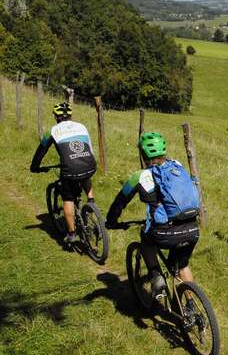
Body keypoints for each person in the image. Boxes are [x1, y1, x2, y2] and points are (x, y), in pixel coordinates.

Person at [105, 132, 200, 300]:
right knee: (181, 265)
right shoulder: (176, 166)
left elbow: (120, 201)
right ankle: (191, 307)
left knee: (146, 238)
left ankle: (157, 277)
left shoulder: (139, 176)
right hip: (192, 228)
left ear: (143, 154)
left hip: (165, 233)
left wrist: (111, 221)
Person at [30, 102, 97, 244]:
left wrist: (34, 166)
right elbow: (90, 148)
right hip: (90, 165)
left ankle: (72, 233)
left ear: (56, 116)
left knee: (68, 197)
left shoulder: (53, 130)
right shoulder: (81, 126)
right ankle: (91, 202)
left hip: (70, 169)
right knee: (85, 172)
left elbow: (41, 150)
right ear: (70, 115)